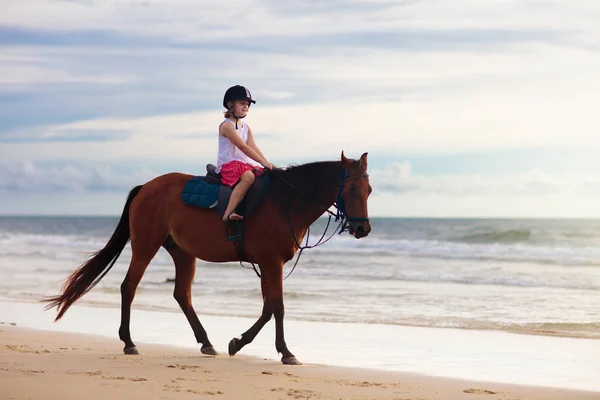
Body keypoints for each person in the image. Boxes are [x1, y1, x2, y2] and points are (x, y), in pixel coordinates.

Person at [216, 85, 276, 222]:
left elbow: (253, 147)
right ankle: (228, 212)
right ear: (231, 104)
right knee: (248, 177)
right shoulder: (226, 126)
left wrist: (266, 163)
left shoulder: (246, 127)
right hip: (229, 164)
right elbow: (243, 147)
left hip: (244, 164)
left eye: (247, 104)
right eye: (242, 103)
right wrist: (263, 162)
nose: (246, 107)